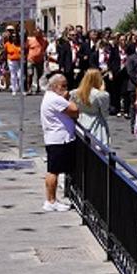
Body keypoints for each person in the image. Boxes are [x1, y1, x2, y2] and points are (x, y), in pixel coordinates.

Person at [41, 72, 80, 212]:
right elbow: (74, 110)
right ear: (55, 86)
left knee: (55, 170)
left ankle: (52, 199)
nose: (65, 88)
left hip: (57, 138)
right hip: (58, 140)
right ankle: (50, 200)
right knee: (53, 171)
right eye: (63, 86)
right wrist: (70, 99)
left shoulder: (52, 97)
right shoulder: (55, 99)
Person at [71, 68, 111, 146]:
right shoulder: (101, 95)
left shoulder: (75, 93)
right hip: (96, 123)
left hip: (81, 121)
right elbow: (105, 113)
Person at [3, 27, 22, 95]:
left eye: (16, 37)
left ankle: (20, 88)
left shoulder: (20, 44)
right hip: (11, 61)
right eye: (13, 37)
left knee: (20, 75)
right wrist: (5, 62)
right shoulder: (7, 44)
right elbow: (5, 53)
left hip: (19, 61)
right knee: (13, 75)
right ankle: (14, 89)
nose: (14, 38)